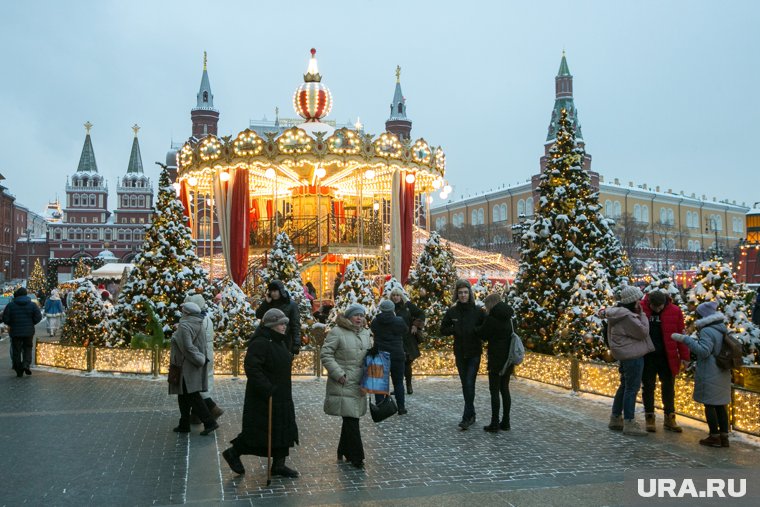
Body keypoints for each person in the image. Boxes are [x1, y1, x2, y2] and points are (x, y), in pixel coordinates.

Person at [222, 308, 300, 477]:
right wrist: (267, 388)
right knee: (259, 432)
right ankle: (233, 453)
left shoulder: (279, 340)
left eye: (285, 323)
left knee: (283, 428)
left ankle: (279, 465)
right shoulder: (261, 342)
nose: (284, 327)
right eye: (281, 324)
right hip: (265, 396)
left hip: (282, 394)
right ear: (272, 324)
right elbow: (252, 367)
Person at [672, 302, 732, 448]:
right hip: (722, 370)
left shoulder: (707, 331)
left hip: (710, 371)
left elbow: (704, 351)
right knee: (720, 405)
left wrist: (686, 340)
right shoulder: (721, 328)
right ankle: (724, 437)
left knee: (710, 404)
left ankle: (714, 436)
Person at [320, 303, 372, 469]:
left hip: (360, 382)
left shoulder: (366, 333)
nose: (359, 318)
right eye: (356, 315)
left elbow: (369, 354)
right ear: (348, 317)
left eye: (361, 315)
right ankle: (357, 457)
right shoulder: (337, 332)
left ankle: (343, 449)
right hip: (344, 381)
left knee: (351, 416)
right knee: (352, 419)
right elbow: (326, 354)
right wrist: (339, 374)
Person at [640, 289, 689, 433]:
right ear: (649, 303)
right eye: (654, 306)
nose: (657, 309)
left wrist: (685, 357)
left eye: (660, 306)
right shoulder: (641, 309)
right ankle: (650, 417)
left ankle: (670, 418)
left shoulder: (675, 311)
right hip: (647, 356)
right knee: (648, 387)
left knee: (668, 388)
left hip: (667, 357)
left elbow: (681, 335)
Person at [606, 285, 652, 437]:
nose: (640, 303)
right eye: (638, 300)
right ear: (633, 301)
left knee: (625, 385)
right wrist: (643, 315)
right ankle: (629, 422)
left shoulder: (617, 314)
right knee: (631, 388)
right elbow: (643, 332)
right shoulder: (628, 317)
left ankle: (616, 417)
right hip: (633, 355)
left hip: (625, 354)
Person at [441, 279, 486, 430]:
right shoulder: (452, 311)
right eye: (460, 293)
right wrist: (454, 330)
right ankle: (471, 413)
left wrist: (476, 332)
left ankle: (466, 417)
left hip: (474, 352)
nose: (463, 295)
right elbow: (443, 329)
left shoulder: (478, 311)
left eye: (465, 292)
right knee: (465, 384)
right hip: (460, 352)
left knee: (469, 383)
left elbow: (485, 329)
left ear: (470, 293)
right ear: (457, 294)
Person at [168, 302, 218, 436]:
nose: (181, 313)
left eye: (183, 311)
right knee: (183, 395)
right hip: (191, 366)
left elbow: (188, 347)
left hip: (185, 366)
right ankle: (184, 424)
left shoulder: (184, 326)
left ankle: (209, 422)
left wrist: (199, 359)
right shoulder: (199, 323)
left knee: (192, 395)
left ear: (187, 313)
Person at [475, 293, 514, 432]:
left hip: (496, 358)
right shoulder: (509, 317)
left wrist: (476, 328)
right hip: (508, 358)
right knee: (505, 389)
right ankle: (506, 421)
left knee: (494, 391)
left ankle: (494, 423)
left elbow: (482, 334)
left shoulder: (492, 318)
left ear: (490, 304)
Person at [184, 293, 224, 423]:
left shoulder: (199, 319)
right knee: (203, 383)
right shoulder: (206, 317)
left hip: (201, 355)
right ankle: (196, 416)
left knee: (198, 385)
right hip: (207, 353)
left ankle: (213, 408)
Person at [371, 299, 409, 414]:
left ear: (381, 309)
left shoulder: (375, 321)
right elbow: (405, 331)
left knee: (379, 383)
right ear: (392, 309)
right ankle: (401, 407)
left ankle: (380, 407)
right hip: (397, 354)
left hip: (380, 354)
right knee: (398, 382)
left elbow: (374, 331)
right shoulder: (399, 321)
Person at [389, 287, 425, 395]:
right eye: (394, 295)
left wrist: (415, 325)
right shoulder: (389, 307)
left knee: (407, 363)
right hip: (395, 340)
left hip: (408, 339)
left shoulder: (408, 306)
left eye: (397, 295)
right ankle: (398, 387)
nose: (395, 297)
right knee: (396, 365)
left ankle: (409, 385)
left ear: (401, 296)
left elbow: (421, 313)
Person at [2, 287, 42, 377]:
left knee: (16, 350)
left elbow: (5, 318)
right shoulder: (32, 305)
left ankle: (18, 369)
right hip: (28, 331)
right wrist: (31, 323)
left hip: (15, 332)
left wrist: (11, 323)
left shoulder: (11, 305)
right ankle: (26, 364)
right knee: (27, 348)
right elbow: (38, 317)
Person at [255, 280, 301, 355]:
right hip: (269, 341)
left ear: (280, 291)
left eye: (275, 291)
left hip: (285, 340)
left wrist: (296, 344)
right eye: (271, 291)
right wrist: (266, 303)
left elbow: (295, 324)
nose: (273, 293)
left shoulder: (291, 305)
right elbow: (259, 315)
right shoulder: (269, 303)